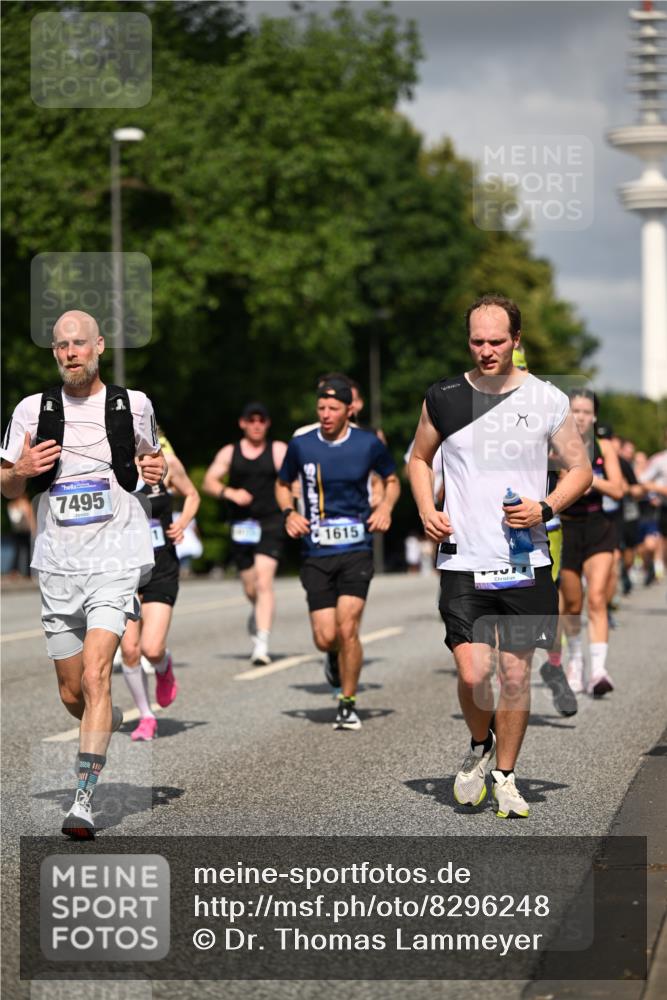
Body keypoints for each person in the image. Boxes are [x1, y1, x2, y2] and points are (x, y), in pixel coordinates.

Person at [409, 294, 591, 819]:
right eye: (477, 341)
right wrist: (426, 508)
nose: (486, 350)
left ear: (516, 340)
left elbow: (580, 470)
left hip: (523, 561)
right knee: (473, 674)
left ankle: (506, 777)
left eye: (496, 341)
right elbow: (419, 458)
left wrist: (545, 507)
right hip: (463, 559)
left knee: (513, 677)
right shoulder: (444, 396)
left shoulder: (546, 399)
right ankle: (479, 744)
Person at [0, 310, 164, 839]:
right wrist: (19, 472)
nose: (71, 352)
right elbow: (6, 484)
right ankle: (103, 716)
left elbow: (151, 461)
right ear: (55, 352)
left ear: (99, 346)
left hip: (116, 560)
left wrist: (156, 469)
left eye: (79, 343)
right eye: (61, 345)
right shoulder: (32, 409)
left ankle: (83, 801)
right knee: (74, 692)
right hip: (57, 565)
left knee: (97, 675)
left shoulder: (133, 404)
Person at [275, 377, 400, 730]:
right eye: (321, 408)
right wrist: (289, 513)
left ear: (349, 410)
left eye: (333, 408)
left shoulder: (367, 443)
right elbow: (282, 484)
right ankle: (332, 656)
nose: (326, 414)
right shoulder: (301, 445)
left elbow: (392, 480)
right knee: (325, 637)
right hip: (316, 550)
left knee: (348, 627)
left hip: (356, 548)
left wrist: (385, 508)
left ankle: (347, 702)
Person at [119, 431, 200, 740]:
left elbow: (192, 495)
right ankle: (146, 716)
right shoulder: (111, 470)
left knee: (151, 649)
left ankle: (164, 666)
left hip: (161, 569)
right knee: (129, 650)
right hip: (123, 573)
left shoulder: (166, 465)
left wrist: (182, 523)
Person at [203, 403, 287, 665]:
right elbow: (208, 482)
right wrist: (230, 493)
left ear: (267, 424)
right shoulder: (230, 452)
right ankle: (257, 610)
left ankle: (261, 644)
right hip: (242, 526)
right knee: (251, 586)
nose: (256, 425)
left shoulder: (278, 450)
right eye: (252, 420)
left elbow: (292, 480)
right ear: (243, 423)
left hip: (271, 522)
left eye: (261, 420)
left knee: (264, 581)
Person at [559, 391, 624, 697]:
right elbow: (557, 488)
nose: (581, 417)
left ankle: (599, 670)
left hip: (599, 526)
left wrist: (589, 479)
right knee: (573, 603)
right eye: (575, 411)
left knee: (597, 597)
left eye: (586, 411)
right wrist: (571, 483)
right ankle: (575, 661)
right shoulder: (557, 445)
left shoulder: (604, 447)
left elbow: (618, 489)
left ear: (594, 416)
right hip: (568, 528)